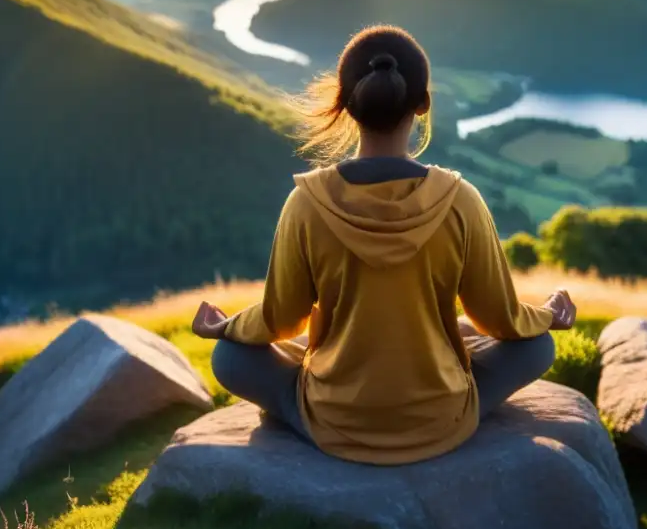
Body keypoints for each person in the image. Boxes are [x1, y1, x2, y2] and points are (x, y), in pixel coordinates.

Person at [192, 25, 577, 466]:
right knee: (538, 345)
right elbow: (500, 319)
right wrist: (548, 314)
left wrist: (226, 327)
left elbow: (281, 320)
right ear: (423, 103)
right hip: (441, 419)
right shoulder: (460, 201)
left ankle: (317, 401)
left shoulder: (306, 204)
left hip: (335, 420)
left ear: (344, 102)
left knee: (230, 358)